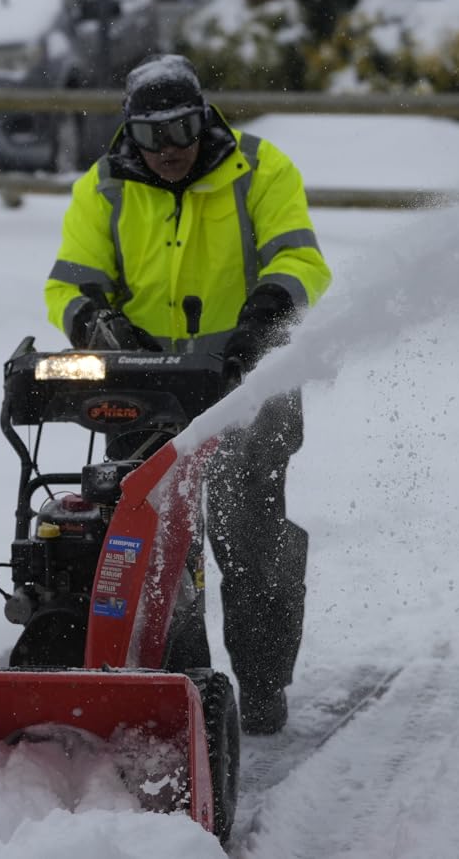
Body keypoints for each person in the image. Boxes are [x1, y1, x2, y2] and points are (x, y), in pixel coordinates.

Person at [44, 54, 332, 734]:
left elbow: (301, 258)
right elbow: (70, 280)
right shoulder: (104, 188)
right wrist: (93, 321)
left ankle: (261, 686)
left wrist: (266, 312)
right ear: (129, 133)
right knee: (151, 544)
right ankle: (177, 687)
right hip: (144, 389)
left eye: (180, 131)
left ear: (204, 117)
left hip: (248, 381)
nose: (168, 150)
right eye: (151, 136)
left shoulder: (262, 169)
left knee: (252, 537)